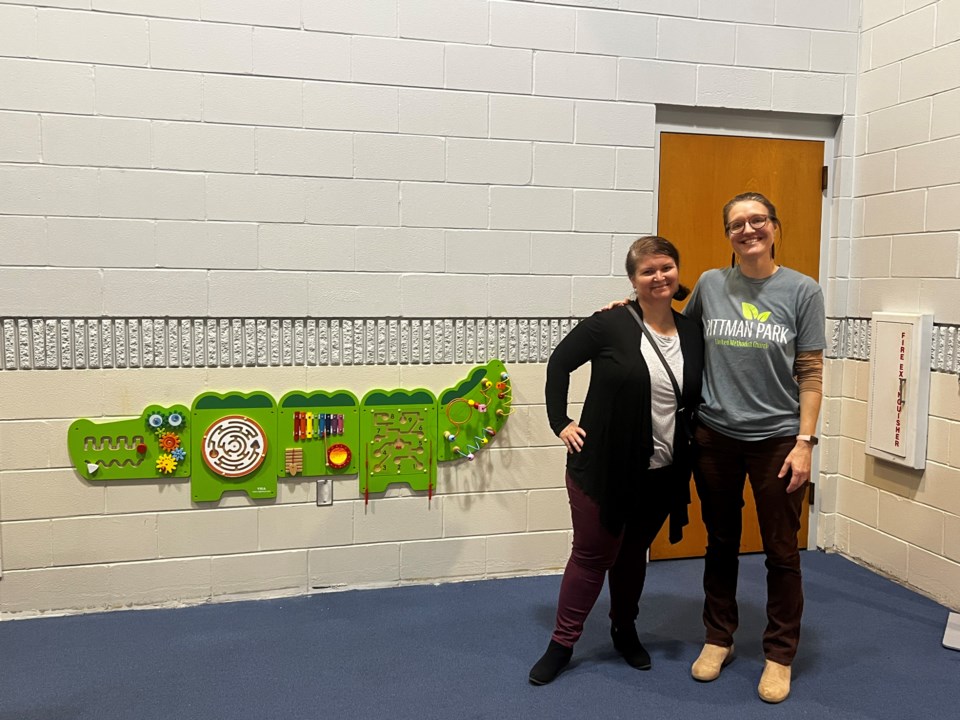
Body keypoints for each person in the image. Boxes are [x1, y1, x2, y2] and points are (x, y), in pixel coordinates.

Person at [529, 236, 704, 686]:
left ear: (677, 271)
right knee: (592, 556)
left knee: (631, 557)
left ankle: (624, 631)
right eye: (648, 271)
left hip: (661, 473)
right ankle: (562, 643)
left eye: (665, 267)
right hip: (603, 468)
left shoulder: (690, 332)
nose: (659, 277)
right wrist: (560, 422)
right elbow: (558, 364)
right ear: (634, 280)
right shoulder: (609, 323)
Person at [683, 192, 825, 704]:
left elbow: (810, 373)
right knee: (720, 542)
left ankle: (779, 654)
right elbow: (678, 331)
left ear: (774, 226)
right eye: (737, 224)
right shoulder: (709, 284)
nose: (748, 230)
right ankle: (718, 638)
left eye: (757, 220)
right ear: (728, 234)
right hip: (715, 436)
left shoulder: (802, 290)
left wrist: (805, 442)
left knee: (782, 551)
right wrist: (630, 310)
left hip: (778, 442)